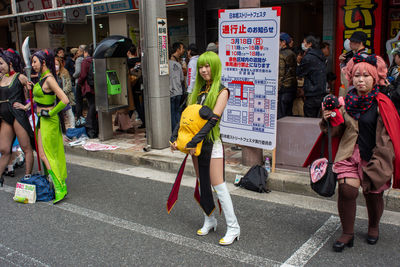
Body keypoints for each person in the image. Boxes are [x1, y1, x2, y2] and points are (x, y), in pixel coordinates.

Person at [319, 53, 400, 252]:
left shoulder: (383, 103)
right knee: (347, 190)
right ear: (350, 77)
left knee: (373, 195)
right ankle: (347, 233)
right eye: (356, 75)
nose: (360, 79)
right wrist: (329, 118)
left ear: (375, 78)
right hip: (348, 153)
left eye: (365, 76)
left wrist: (381, 164)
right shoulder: (345, 101)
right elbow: (337, 131)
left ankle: (373, 225)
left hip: (374, 156)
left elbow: (387, 138)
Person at [170, 51, 240, 246]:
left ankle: (233, 227)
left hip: (210, 143)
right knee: (202, 184)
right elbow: (185, 116)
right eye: (201, 66)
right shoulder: (197, 91)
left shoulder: (222, 91)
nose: (204, 70)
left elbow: (212, 121)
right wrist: (175, 137)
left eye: (207, 66)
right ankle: (210, 219)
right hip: (195, 144)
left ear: (215, 67)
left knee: (218, 185)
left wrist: (193, 142)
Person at [31, 49, 69, 203]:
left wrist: (51, 113)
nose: (33, 65)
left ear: (43, 62)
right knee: (41, 153)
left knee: (48, 154)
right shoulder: (43, 78)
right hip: (42, 119)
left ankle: (60, 186)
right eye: (32, 61)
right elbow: (39, 99)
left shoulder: (49, 79)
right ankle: (55, 183)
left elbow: (65, 100)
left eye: (35, 61)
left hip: (49, 120)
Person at [0, 48, 34, 186]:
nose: (0, 67)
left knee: (26, 148)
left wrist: (26, 107)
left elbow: (35, 95)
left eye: (1, 63)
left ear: (10, 63)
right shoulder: (1, 78)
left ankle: (27, 177)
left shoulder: (20, 77)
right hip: (5, 117)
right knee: (4, 149)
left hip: (17, 116)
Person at [297, 35, 327, 117]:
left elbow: (299, 72)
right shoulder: (320, 55)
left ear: (310, 44)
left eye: (304, 42)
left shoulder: (308, 58)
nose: (302, 44)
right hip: (321, 91)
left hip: (312, 92)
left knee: (309, 117)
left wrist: (299, 62)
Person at [78, 45, 98, 138]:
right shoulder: (96, 60)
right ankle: (94, 127)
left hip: (88, 87)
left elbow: (82, 75)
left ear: (86, 52)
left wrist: (79, 83)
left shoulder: (85, 61)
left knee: (92, 106)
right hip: (96, 86)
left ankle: (89, 125)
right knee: (94, 106)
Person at [278, 33, 297, 119]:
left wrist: (277, 88)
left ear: (283, 42)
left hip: (283, 88)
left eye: (279, 41)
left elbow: (281, 73)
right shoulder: (292, 53)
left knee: (282, 114)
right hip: (292, 87)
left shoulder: (281, 55)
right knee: (288, 114)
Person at [127, 44, 145, 128]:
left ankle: (126, 123)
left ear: (128, 52)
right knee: (137, 104)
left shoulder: (128, 62)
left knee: (134, 104)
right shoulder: (140, 60)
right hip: (139, 84)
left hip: (132, 85)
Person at [55, 56, 75, 128]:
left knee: (69, 113)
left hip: (64, 96)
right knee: (59, 116)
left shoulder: (64, 72)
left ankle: (73, 129)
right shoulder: (51, 74)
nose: (55, 66)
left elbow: (68, 85)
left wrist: (62, 93)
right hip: (55, 99)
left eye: (57, 64)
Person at [169, 42, 185, 132]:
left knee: (172, 114)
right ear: (177, 49)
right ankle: (180, 131)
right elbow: (182, 79)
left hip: (170, 92)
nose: (183, 50)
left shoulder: (165, 65)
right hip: (179, 92)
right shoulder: (178, 65)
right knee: (177, 113)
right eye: (182, 48)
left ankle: (174, 133)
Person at [73, 44, 86, 127]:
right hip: (86, 83)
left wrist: (73, 75)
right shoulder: (87, 58)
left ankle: (79, 118)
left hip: (79, 82)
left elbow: (78, 72)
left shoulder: (79, 60)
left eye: (78, 50)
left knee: (78, 101)